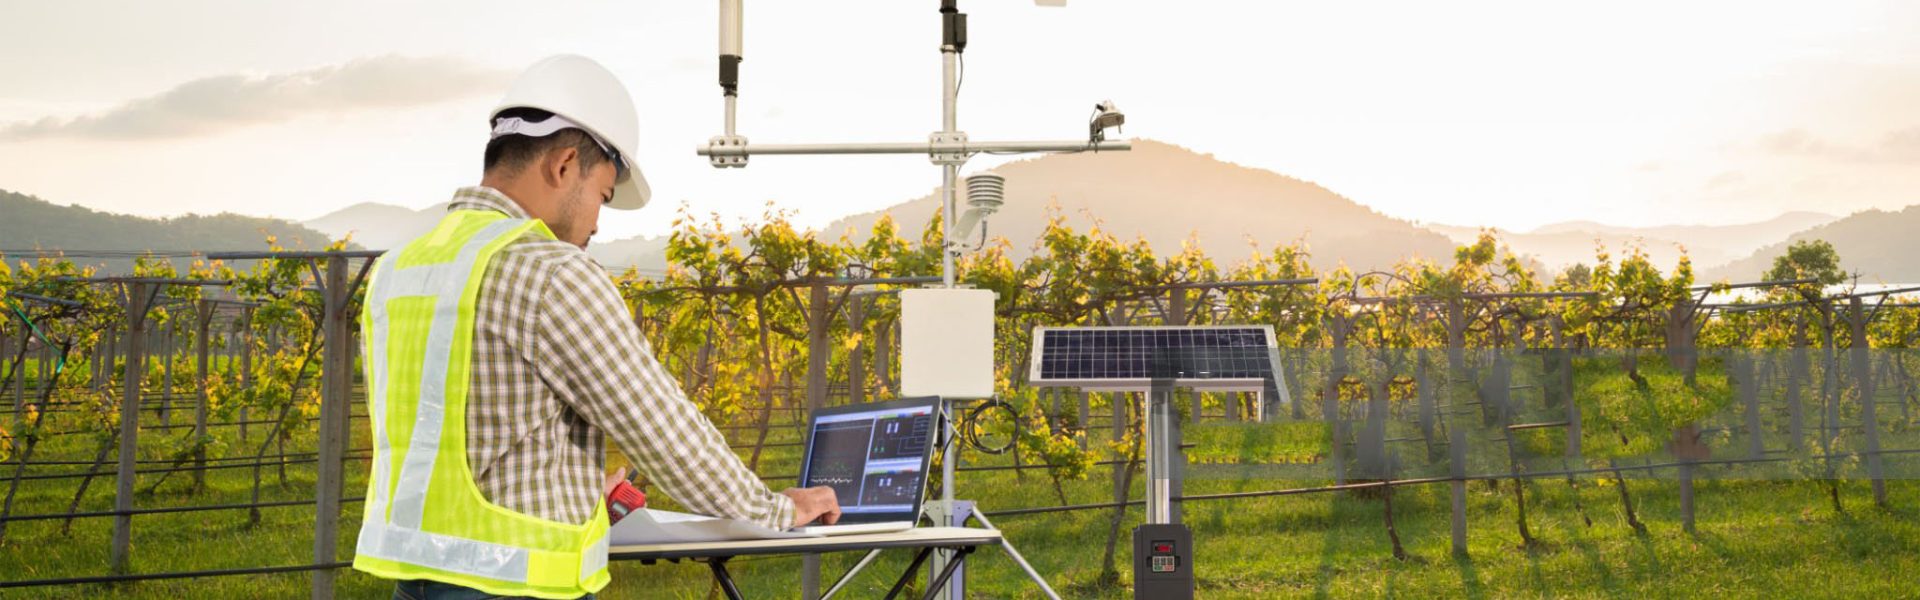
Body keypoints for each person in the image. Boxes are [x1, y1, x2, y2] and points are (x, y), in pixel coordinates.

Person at [351, 54, 841, 600]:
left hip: (413, 582)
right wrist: (775, 509)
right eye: (602, 196)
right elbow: (666, 433)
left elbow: (450, 436)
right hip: (517, 587)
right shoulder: (550, 270)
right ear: (563, 165)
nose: (597, 223)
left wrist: (574, 490)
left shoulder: (400, 268)